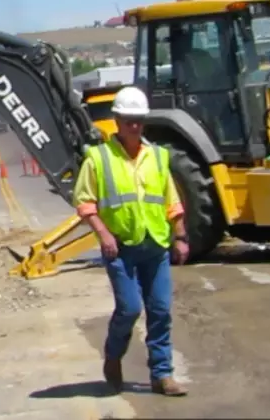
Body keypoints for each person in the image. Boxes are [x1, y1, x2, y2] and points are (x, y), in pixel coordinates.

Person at [73, 85, 189, 397]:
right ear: (117, 120)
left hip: (155, 246)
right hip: (120, 248)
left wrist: (180, 236)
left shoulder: (158, 157)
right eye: (128, 120)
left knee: (161, 310)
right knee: (129, 308)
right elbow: (84, 202)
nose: (134, 126)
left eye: (138, 120)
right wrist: (104, 233)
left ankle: (162, 375)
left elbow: (171, 201)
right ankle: (113, 356)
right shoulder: (99, 159)